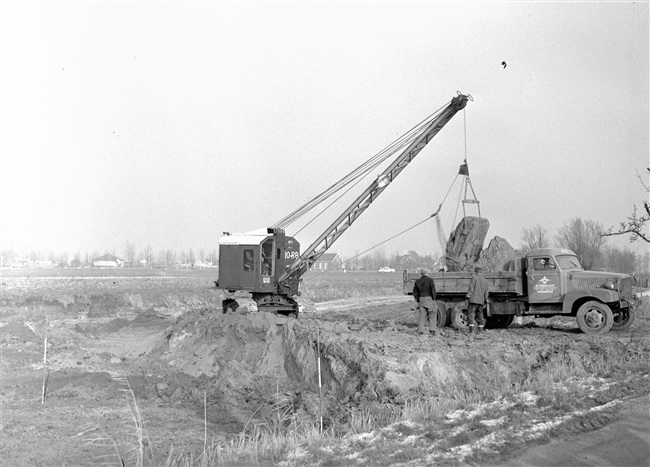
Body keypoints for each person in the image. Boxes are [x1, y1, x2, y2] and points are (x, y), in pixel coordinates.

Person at [465, 266, 489, 338]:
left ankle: (471, 332)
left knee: (470, 315)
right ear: (481, 272)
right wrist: (485, 300)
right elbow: (486, 292)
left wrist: (467, 297)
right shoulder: (485, 281)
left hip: (473, 300)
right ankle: (480, 332)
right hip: (481, 301)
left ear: (475, 272)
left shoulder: (474, 278)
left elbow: (471, 289)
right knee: (480, 316)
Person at [413, 268, 437, 335]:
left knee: (422, 315)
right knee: (432, 314)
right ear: (427, 273)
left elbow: (415, 292)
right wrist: (434, 299)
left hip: (421, 299)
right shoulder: (430, 280)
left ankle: (421, 331)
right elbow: (433, 291)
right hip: (429, 298)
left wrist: (418, 299)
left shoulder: (417, 281)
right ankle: (432, 331)